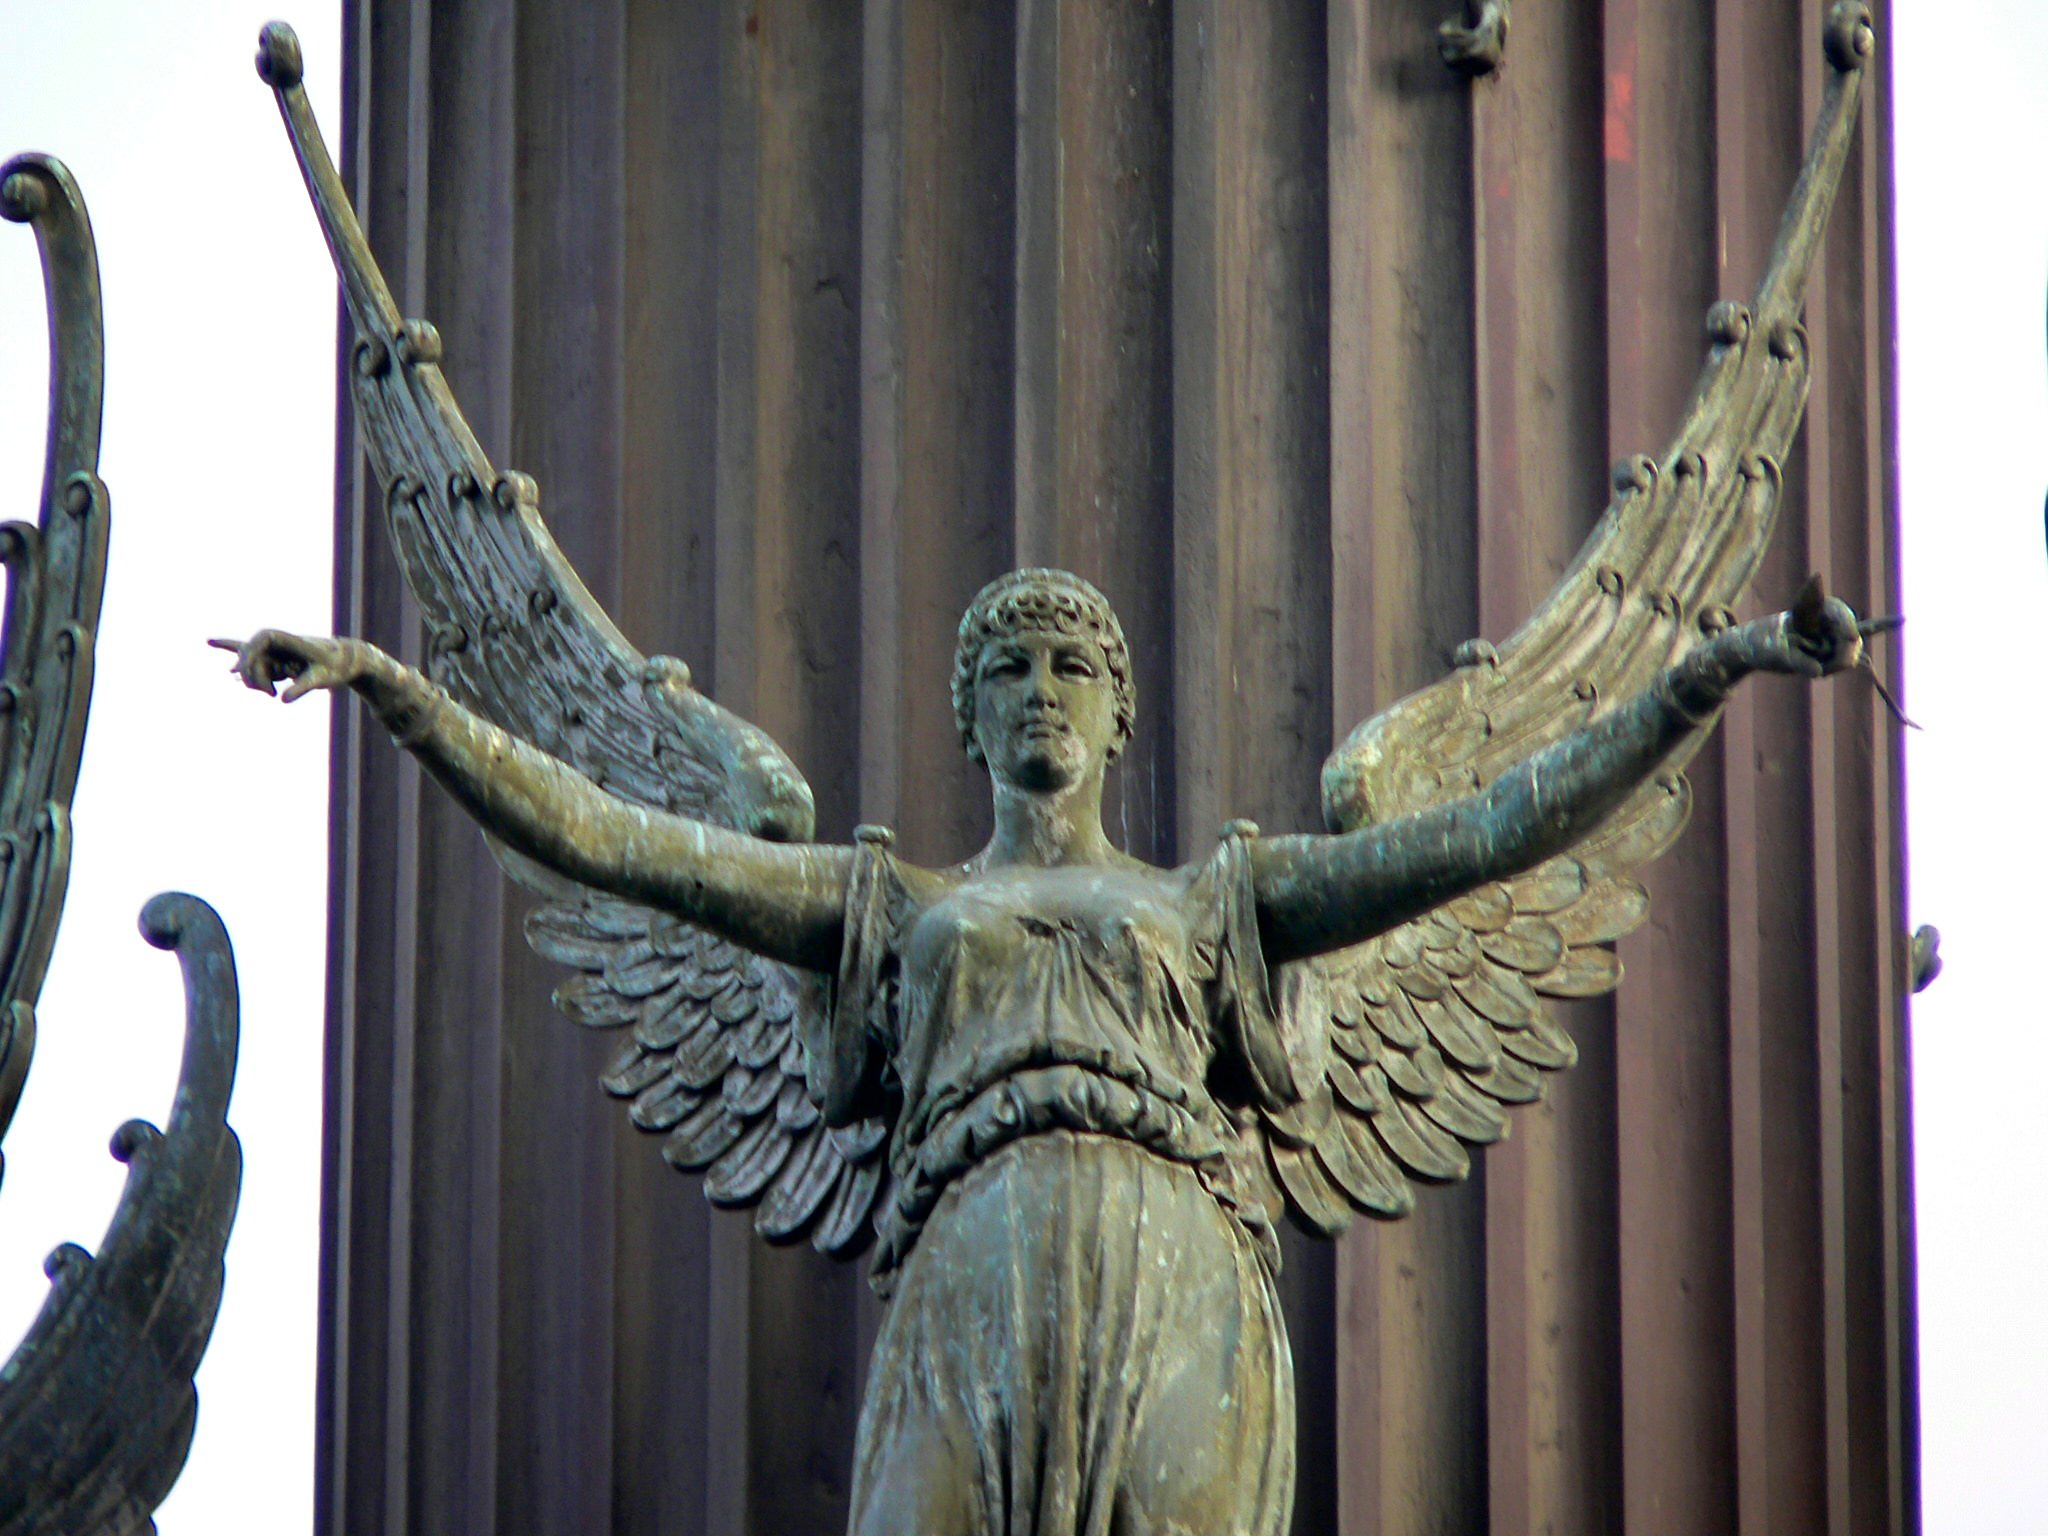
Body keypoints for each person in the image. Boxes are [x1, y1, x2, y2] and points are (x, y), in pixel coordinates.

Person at [220, 566, 1865, 1535]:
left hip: (1176, 1279)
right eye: (1006, 670)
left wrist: (1701, 679)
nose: (1040, 693)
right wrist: (398, 695)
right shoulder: (891, 904)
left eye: (1073, 667)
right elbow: (611, 841)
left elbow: (1498, 831)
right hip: (963, 1287)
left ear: (1118, 710)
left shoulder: (1219, 900)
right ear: (967, 714)